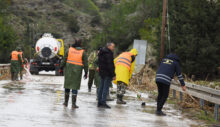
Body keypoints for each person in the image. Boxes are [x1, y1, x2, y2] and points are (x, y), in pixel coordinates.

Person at [60, 39, 88, 109]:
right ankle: (73, 104)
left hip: (68, 70)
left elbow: (64, 60)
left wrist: (61, 68)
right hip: (77, 71)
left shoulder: (69, 50)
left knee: (67, 85)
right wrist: (86, 72)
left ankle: (65, 103)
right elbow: (86, 64)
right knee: (75, 87)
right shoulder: (83, 52)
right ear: (80, 44)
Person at [97, 42, 115, 109]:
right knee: (105, 88)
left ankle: (99, 102)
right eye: (113, 46)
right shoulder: (108, 53)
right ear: (109, 46)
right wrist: (113, 74)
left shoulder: (101, 52)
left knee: (101, 88)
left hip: (102, 73)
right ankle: (103, 102)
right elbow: (110, 65)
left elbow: (99, 63)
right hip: (107, 73)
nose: (113, 48)